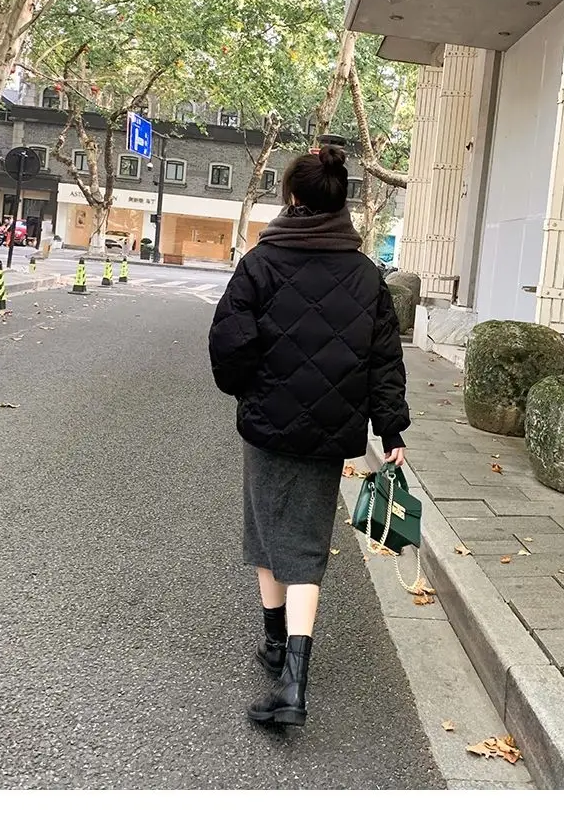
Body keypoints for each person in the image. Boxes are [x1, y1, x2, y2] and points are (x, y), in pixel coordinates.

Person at [209, 145, 410, 728]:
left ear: (292, 197)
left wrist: (249, 388)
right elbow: (385, 360)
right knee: (304, 541)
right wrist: (390, 427)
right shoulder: (366, 275)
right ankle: (284, 661)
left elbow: (229, 344)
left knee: (264, 530)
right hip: (330, 430)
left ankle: (284, 665)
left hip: (268, 425)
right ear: (342, 200)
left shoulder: (260, 263)